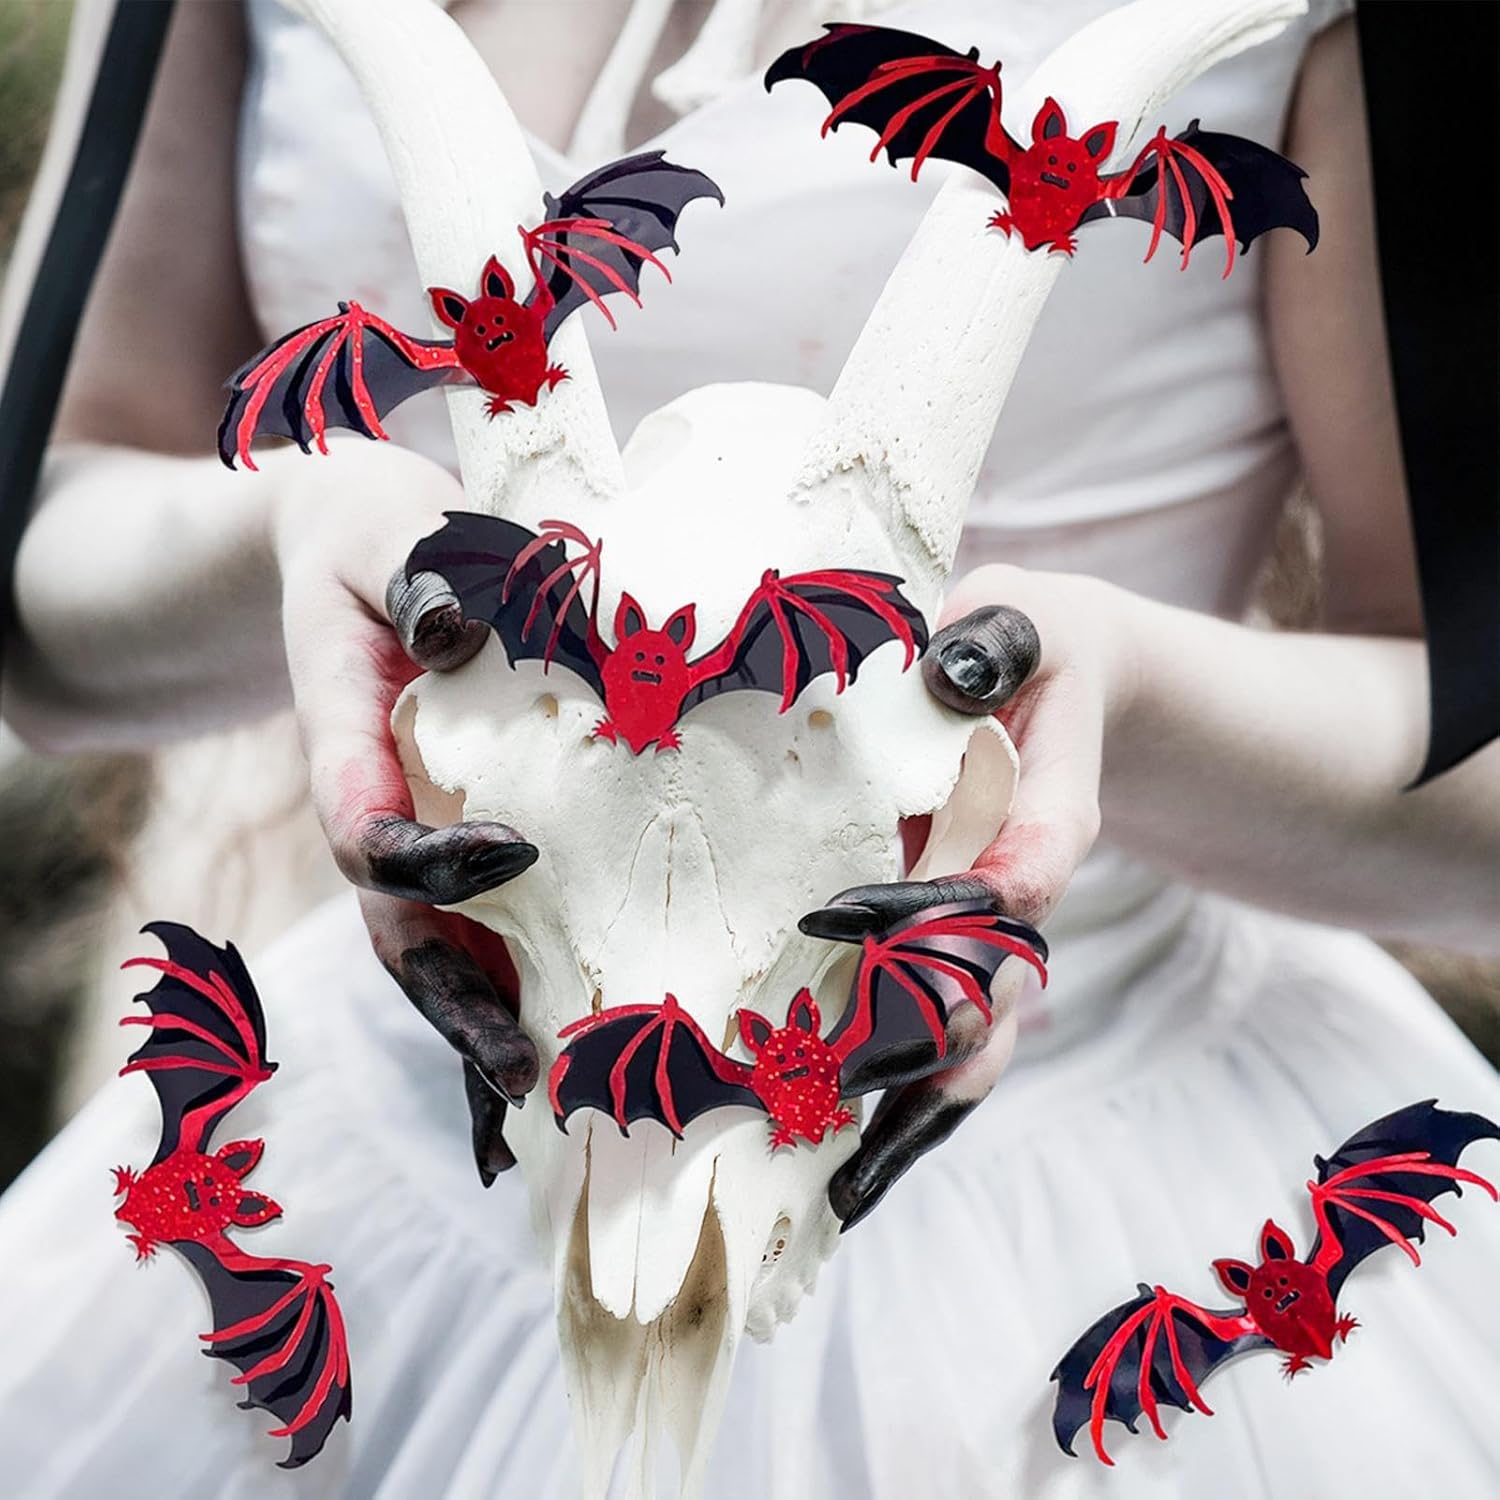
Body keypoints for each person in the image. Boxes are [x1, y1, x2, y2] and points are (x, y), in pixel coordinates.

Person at [1, 1, 1497, 1496]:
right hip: (415, 1138)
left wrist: (1114, 701)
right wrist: (304, 524)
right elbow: (35, 582)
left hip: (1093, 1185)